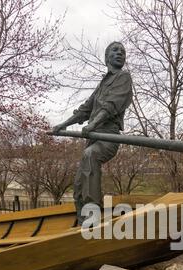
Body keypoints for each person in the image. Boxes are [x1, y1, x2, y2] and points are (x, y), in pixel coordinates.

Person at [52, 42, 133, 225]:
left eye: (122, 52)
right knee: (79, 184)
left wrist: (93, 124)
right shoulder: (103, 83)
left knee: (90, 156)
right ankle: (82, 221)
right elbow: (85, 109)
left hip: (108, 137)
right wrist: (62, 126)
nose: (120, 53)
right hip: (94, 137)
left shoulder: (123, 77)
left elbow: (111, 106)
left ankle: (92, 216)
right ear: (106, 58)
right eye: (115, 50)